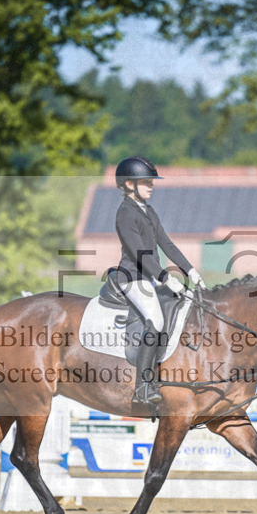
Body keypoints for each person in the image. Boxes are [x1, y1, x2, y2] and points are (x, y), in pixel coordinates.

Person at [109, 156, 205, 407]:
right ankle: (142, 387)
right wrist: (165, 278)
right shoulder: (125, 214)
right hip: (132, 278)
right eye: (146, 182)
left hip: (150, 278)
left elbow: (167, 244)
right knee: (157, 320)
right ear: (130, 185)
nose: (152, 185)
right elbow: (139, 253)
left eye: (152, 181)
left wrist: (190, 271)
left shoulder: (148, 211)